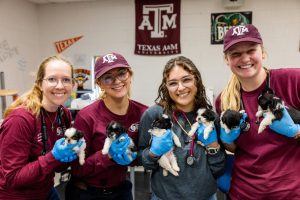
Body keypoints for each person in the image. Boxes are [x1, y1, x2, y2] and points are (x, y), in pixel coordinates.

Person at [215, 24, 300, 199]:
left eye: (251, 50)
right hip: (244, 193)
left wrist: (296, 132)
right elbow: (234, 148)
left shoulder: (293, 81)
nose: (244, 58)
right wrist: (226, 140)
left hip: (291, 193)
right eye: (236, 54)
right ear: (227, 59)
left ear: (263, 52)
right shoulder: (224, 100)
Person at [138, 56, 226, 200]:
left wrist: (213, 147)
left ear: (196, 80)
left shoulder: (210, 118)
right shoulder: (154, 115)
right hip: (165, 196)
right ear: (166, 86)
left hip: (206, 196)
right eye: (173, 83)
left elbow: (218, 168)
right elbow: (142, 160)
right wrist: (153, 153)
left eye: (186, 80)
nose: (180, 88)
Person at [65, 52, 148, 200]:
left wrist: (145, 154)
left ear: (130, 75)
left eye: (122, 74)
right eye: (108, 77)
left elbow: (139, 158)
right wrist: (108, 155)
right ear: (99, 83)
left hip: (121, 189)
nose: (117, 81)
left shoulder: (142, 113)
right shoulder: (87, 116)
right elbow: (77, 168)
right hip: (86, 193)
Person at [0, 55, 82, 199]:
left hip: (45, 190)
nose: (60, 86)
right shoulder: (21, 119)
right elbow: (12, 178)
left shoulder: (64, 114)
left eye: (66, 80)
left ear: (73, 84)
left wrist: (69, 155)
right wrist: (53, 156)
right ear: (39, 84)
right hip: (15, 195)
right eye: (52, 79)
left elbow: (58, 168)